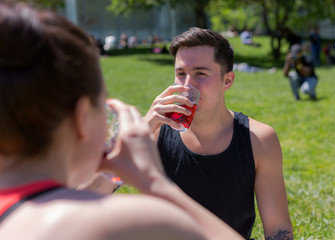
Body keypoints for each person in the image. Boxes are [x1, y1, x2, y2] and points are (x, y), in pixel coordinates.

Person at [0, 3, 247, 240]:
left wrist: (114, 172)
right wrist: (154, 182)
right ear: (82, 116)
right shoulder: (117, 220)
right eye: (104, 104)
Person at [144, 27, 293, 239]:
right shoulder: (154, 132)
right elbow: (91, 195)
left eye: (200, 74)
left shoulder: (259, 140)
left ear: (228, 80)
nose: (187, 85)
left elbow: (278, 230)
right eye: (180, 74)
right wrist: (138, 133)